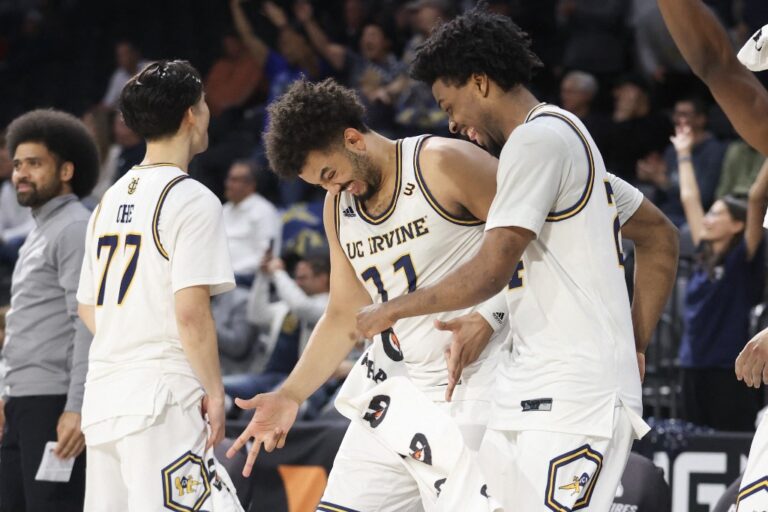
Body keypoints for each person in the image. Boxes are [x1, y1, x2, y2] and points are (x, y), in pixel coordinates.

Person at [227, 77, 675, 510]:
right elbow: (344, 315)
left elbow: (539, 233)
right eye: (319, 184)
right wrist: (290, 394)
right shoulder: (336, 206)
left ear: (353, 139)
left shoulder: (442, 162)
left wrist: (491, 315)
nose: (332, 188)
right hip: (395, 392)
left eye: (330, 174)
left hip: (473, 390)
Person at [357, 7, 679, 510]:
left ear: (480, 82)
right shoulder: (560, 141)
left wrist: (391, 309)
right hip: (532, 390)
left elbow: (491, 270)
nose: (451, 122)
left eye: (449, 104)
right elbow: (659, 236)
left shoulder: (538, 141)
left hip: (574, 397)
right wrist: (632, 343)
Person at [75, 60, 242, 511]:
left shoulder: (108, 199)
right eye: (204, 103)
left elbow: (88, 307)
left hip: (104, 399)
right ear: (191, 114)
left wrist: (131, 334)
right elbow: (191, 313)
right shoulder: (192, 198)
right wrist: (215, 392)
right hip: (162, 399)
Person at [656, 1, 768, 506]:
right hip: (703, 360)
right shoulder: (706, 249)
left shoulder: (745, 246)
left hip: (729, 362)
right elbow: (715, 64)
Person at [0, 109, 99, 512]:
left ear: (66, 170)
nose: (21, 174)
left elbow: (87, 323)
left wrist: (76, 406)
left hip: (54, 401)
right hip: (24, 399)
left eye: (34, 164)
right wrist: (7, 392)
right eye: (17, 164)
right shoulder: (40, 230)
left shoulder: (73, 228)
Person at [672, 122, 766, 431]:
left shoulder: (743, 258)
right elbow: (689, 197)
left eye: (716, 214)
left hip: (729, 368)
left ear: (737, 225)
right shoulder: (703, 254)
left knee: (730, 443)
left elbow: (756, 198)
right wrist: (684, 153)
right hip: (691, 365)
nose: (707, 220)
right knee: (693, 442)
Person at [222, 159, 281, 287]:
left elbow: (267, 257)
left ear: (251, 185)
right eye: (229, 179)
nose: (228, 184)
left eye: (235, 180)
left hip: (248, 281)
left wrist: (231, 273)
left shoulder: (264, 211)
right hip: (220, 276)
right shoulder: (224, 210)